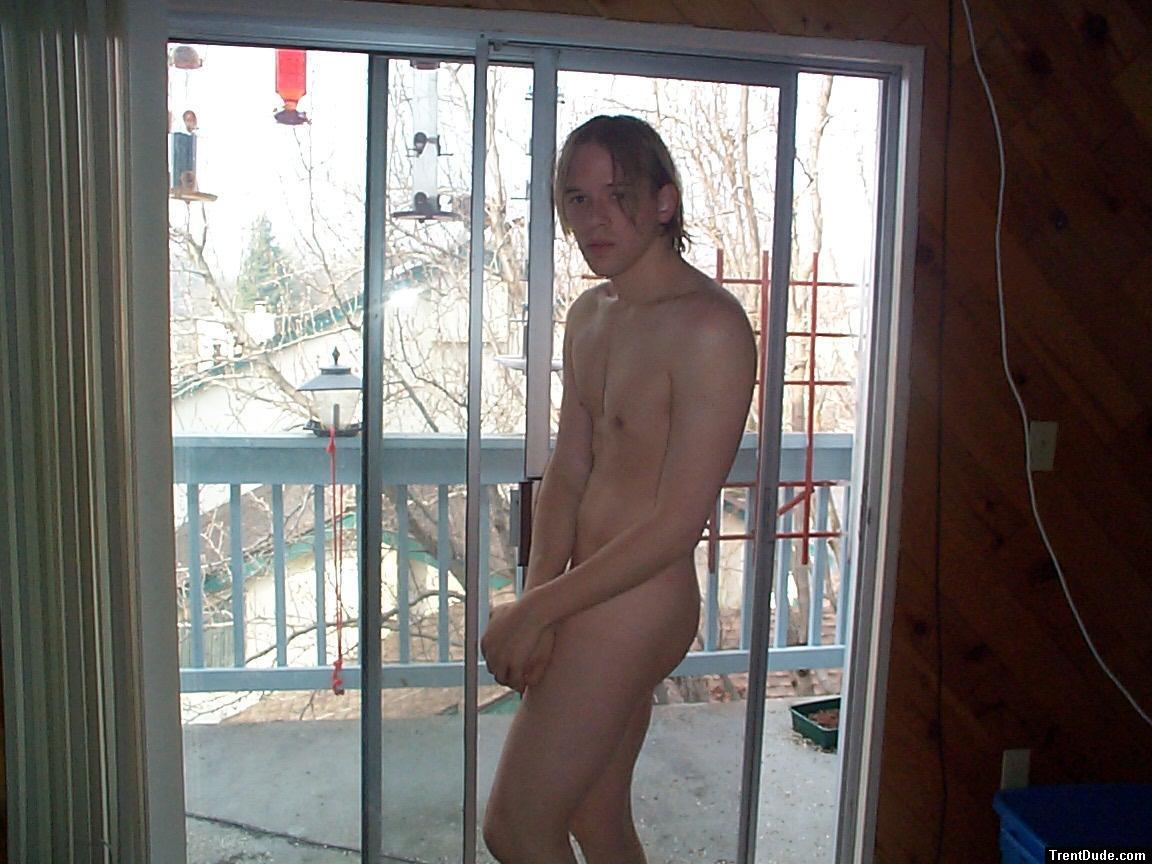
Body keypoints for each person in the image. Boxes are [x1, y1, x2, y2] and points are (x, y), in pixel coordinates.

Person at [481, 115, 757, 864]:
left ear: (664, 201)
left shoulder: (710, 328)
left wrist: (536, 611)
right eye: (578, 199)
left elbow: (677, 523)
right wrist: (540, 597)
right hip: (583, 588)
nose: (593, 218)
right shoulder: (590, 316)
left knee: (515, 828)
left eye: (617, 194)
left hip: (640, 601)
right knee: (595, 818)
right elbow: (569, 472)